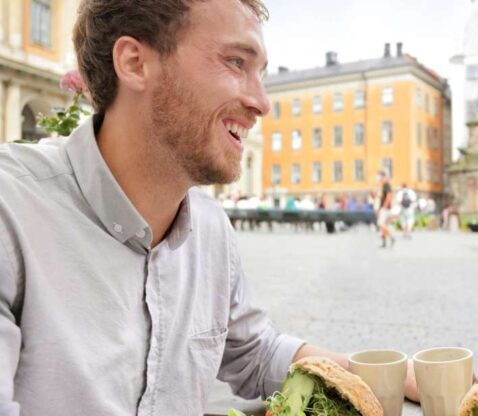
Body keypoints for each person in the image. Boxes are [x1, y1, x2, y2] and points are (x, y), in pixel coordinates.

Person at [0, 1, 417, 414]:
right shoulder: (13, 209)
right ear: (134, 62)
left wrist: (381, 376)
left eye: (261, 74)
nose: (261, 102)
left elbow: (254, 350)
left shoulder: (211, 226)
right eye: (236, 62)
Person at [376, 170, 395, 248]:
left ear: (382, 176)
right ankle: (384, 242)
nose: (377, 178)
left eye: (378, 176)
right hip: (384, 208)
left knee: (380, 224)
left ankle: (391, 237)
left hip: (385, 208)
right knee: (383, 225)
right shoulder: (383, 185)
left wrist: (384, 207)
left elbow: (389, 196)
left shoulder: (386, 185)